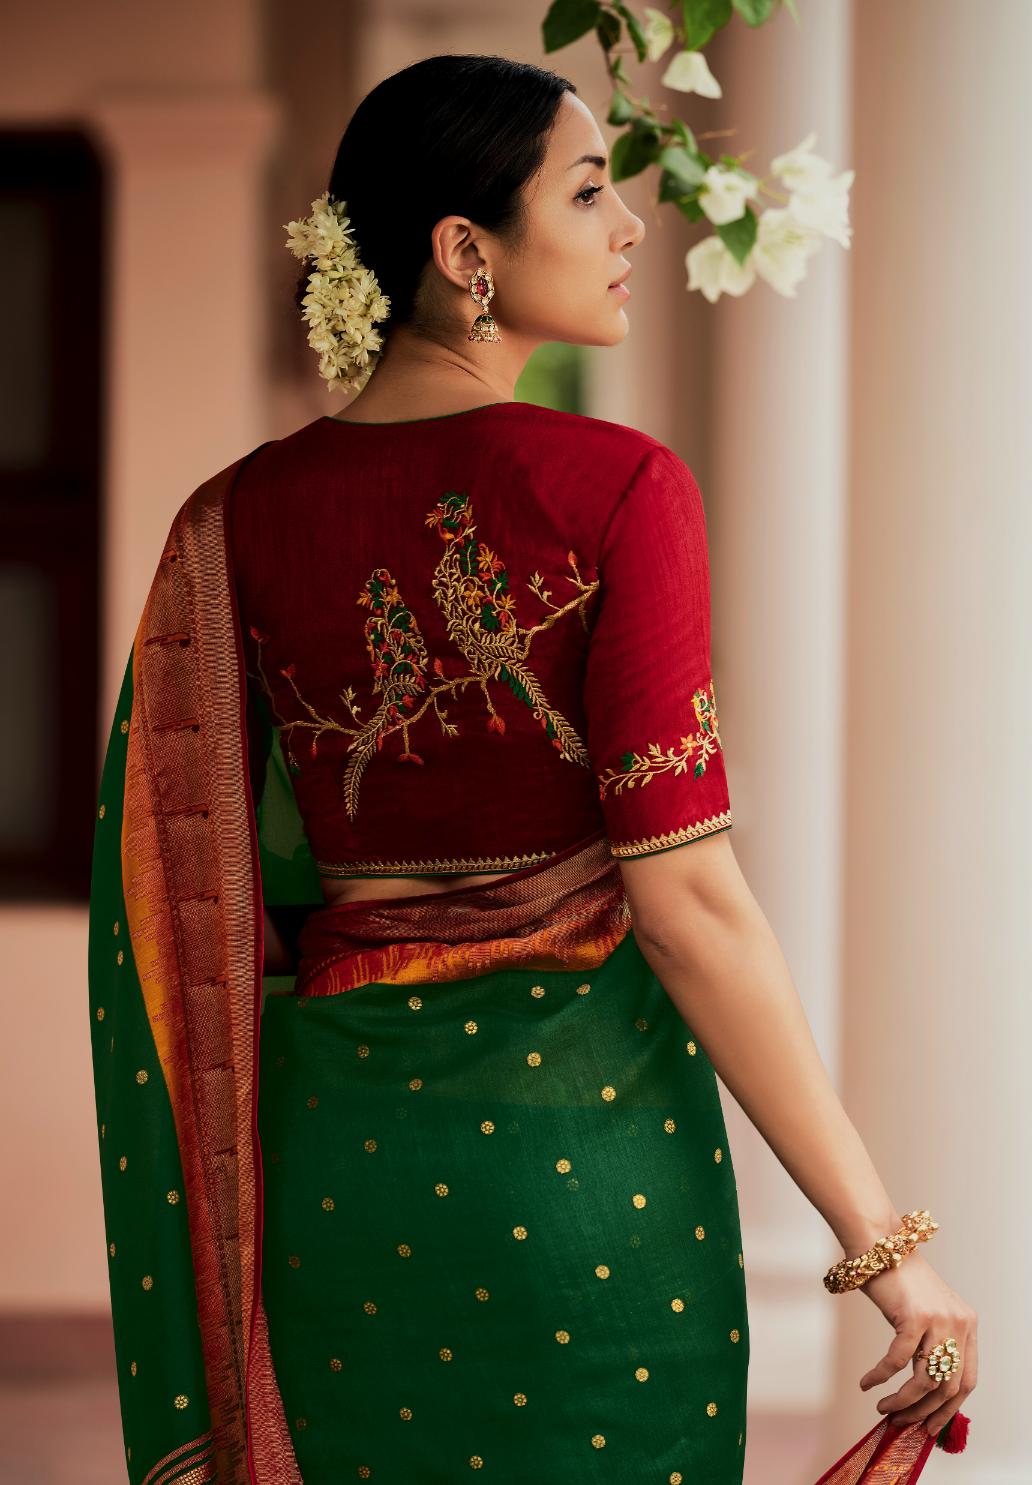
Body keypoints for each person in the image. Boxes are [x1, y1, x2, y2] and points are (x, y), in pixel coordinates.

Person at [87, 53, 975, 1485]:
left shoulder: (231, 522)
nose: (630, 226)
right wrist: (889, 1253)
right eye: (586, 189)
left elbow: (203, 892)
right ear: (463, 254)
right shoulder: (619, 489)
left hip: (339, 1181)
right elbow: (689, 908)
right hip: (593, 1182)